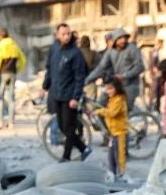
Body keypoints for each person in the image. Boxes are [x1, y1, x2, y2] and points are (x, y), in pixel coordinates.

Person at [42, 23, 90, 162]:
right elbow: (49, 69)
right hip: (56, 93)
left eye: (68, 33)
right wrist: (45, 86)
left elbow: (80, 77)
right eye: (63, 34)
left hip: (69, 96)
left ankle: (66, 156)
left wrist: (76, 97)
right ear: (57, 35)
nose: (66, 36)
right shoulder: (54, 48)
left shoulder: (76, 53)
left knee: (69, 127)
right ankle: (83, 149)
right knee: (62, 126)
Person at [93, 77, 129, 178]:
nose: (108, 91)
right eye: (107, 89)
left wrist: (99, 111)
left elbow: (112, 113)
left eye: (110, 88)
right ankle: (112, 173)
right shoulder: (112, 99)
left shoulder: (119, 99)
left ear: (117, 88)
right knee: (111, 156)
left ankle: (121, 174)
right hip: (113, 132)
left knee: (119, 156)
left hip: (120, 132)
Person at [0, 28, 27, 129]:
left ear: (0, 36)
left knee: (0, 97)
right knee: (11, 98)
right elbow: (23, 60)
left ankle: (0, 121)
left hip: (3, 73)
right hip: (13, 73)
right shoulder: (14, 45)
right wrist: (18, 68)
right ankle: (11, 122)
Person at [109, 28, 145, 112]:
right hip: (117, 86)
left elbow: (140, 67)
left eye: (124, 38)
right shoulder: (113, 51)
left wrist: (125, 75)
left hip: (130, 86)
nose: (122, 41)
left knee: (124, 112)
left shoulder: (132, 49)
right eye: (119, 39)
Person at [79, 35, 99, 101]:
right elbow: (97, 67)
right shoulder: (93, 53)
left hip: (79, 82)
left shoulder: (77, 53)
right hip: (91, 81)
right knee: (91, 103)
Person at [149, 38, 164, 112]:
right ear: (159, 44)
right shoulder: (155, 51)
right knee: (154, 91)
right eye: (162, 44)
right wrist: (155, 71)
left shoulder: (156, 51)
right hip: (156, 75)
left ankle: (157, 107)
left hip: (157, 74)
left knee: (157, 91)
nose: (162, 46)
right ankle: (151, 107)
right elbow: (152, 63)